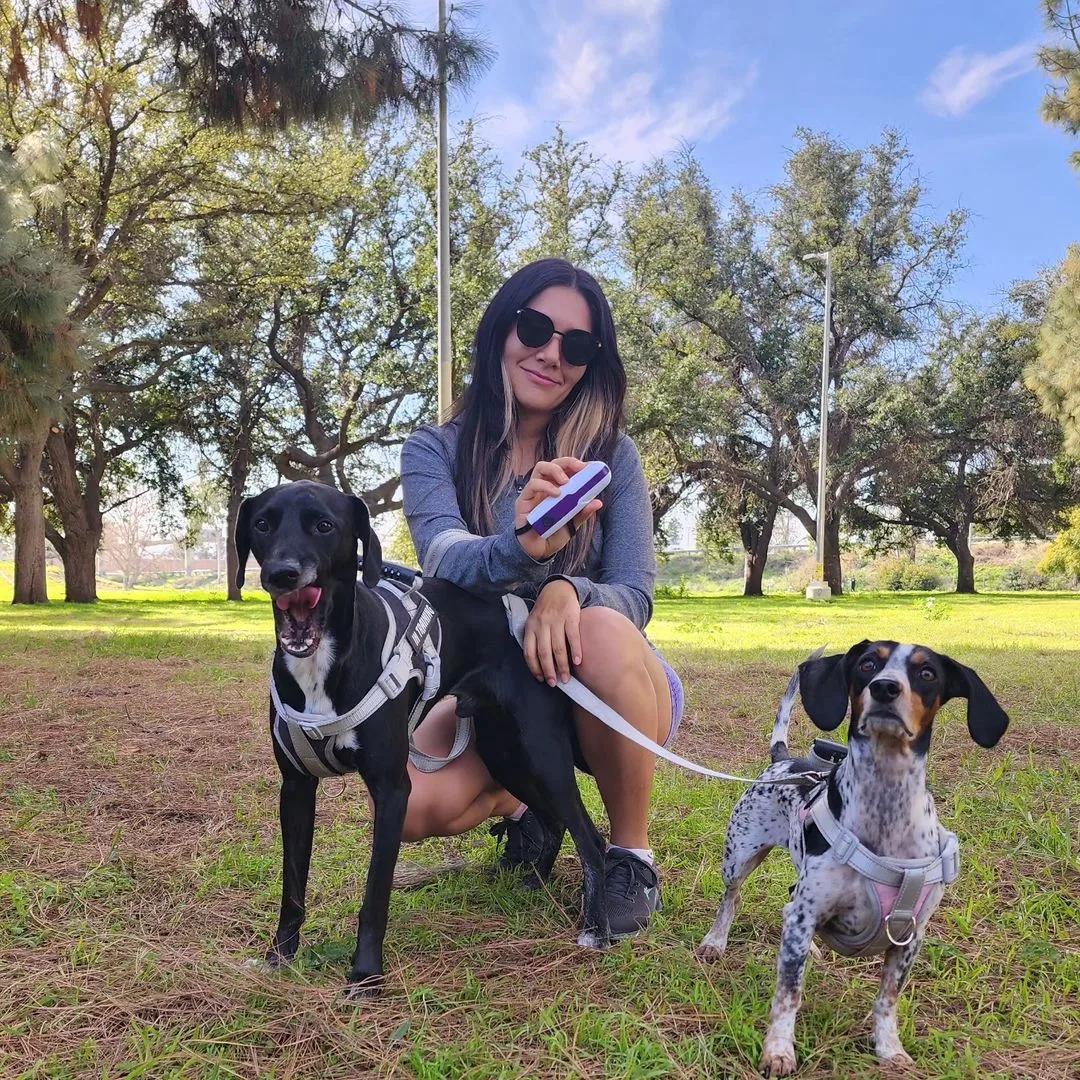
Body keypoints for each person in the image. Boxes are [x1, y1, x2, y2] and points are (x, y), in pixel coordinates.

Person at [398, 257, 684, 938]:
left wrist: (566, 590)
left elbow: (636, 594)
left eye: (577, 345)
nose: (552, 355)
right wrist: (523, 545)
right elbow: (444, 558)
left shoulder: (614, 456)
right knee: (409, 805)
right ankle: (530, 806)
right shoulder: (433, 450)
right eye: (535, 329)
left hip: (606, 686)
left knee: (604, 628)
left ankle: (630, 857)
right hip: (495, 685)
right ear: (502, 328)